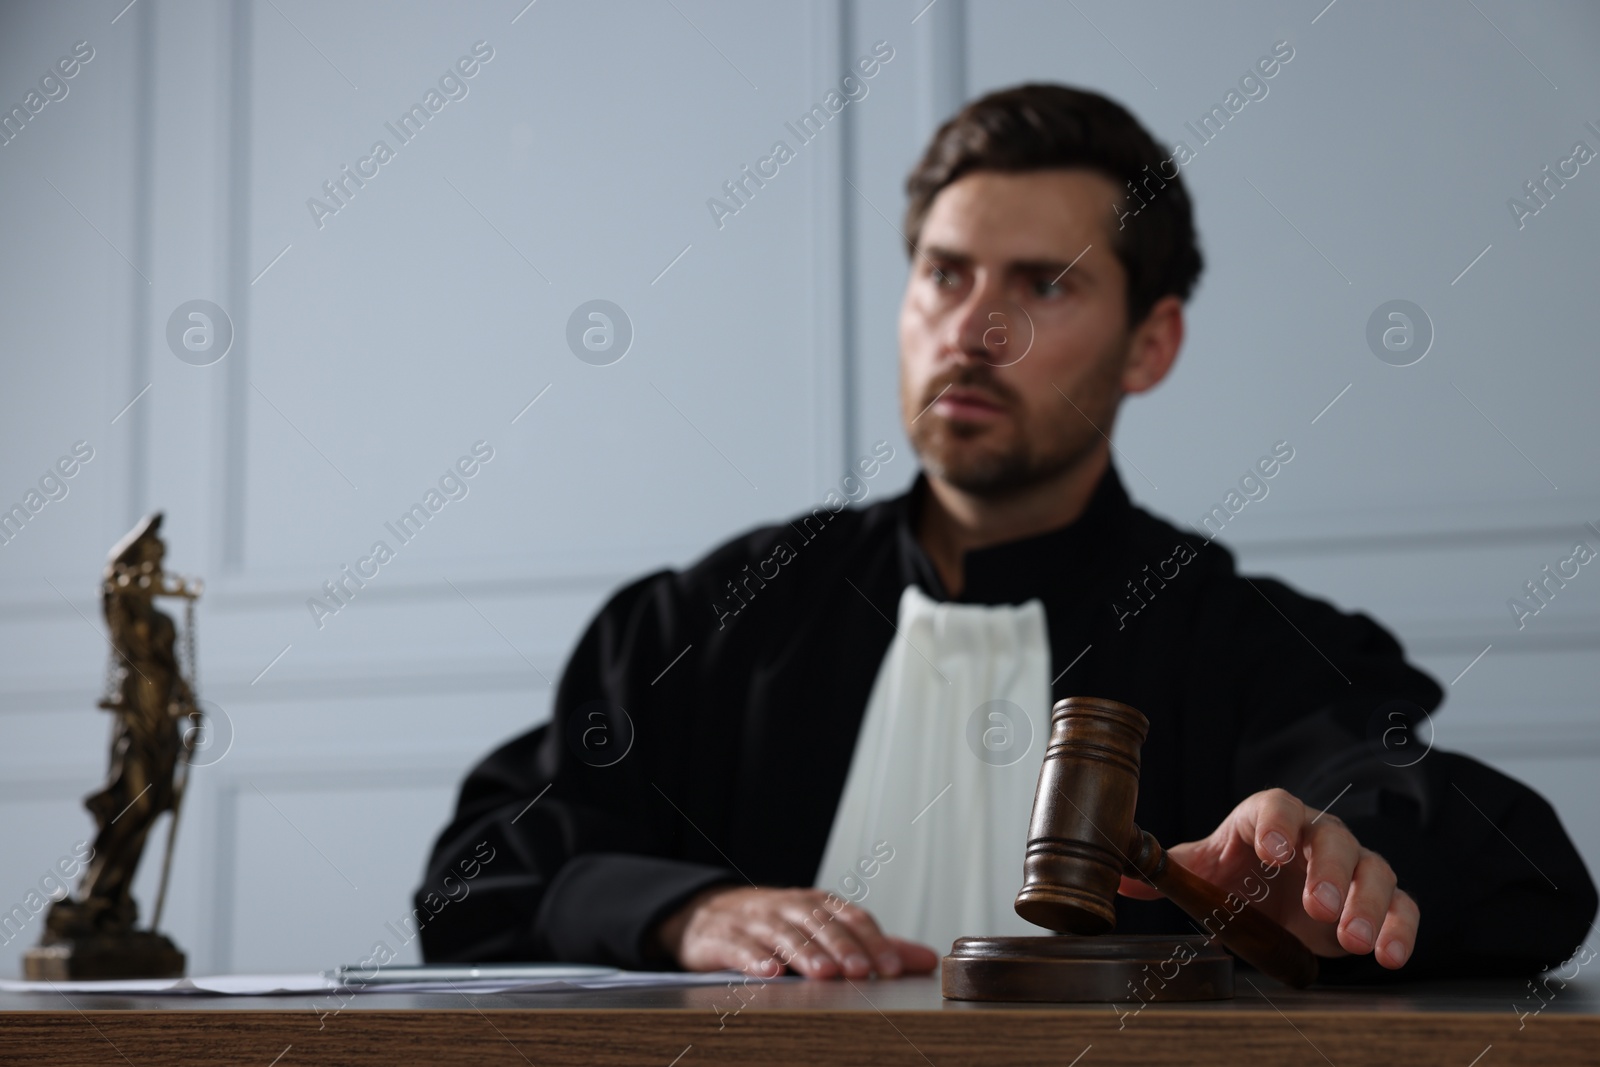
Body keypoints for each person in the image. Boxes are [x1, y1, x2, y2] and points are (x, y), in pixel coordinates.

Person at [416, 84, 1596, 983]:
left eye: (1044, 285)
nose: (973, 330)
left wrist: (1330, 877)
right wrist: (679, 912)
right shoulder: (712, 616)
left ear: (1152, 343)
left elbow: (1514, 863)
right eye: (942, 274)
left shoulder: (1240, 641)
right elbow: (477, 872)